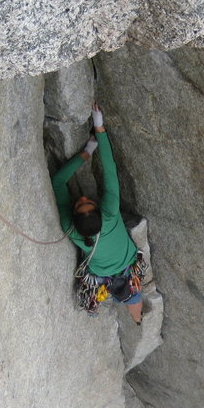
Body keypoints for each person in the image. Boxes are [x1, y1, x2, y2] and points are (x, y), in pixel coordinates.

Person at [51, 103, 145, 323]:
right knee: (133, 295)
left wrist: (85, 153)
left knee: (130, 291)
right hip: (128, 265)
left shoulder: (70, 228)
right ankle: (137, 319)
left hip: (102, 276)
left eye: (80, 203)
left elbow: (58, 182)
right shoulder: (110, 212)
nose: (83, 199)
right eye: (87, 203)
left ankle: (132, 314)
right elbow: (109, 169)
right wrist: (99, 128)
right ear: (99, 211)